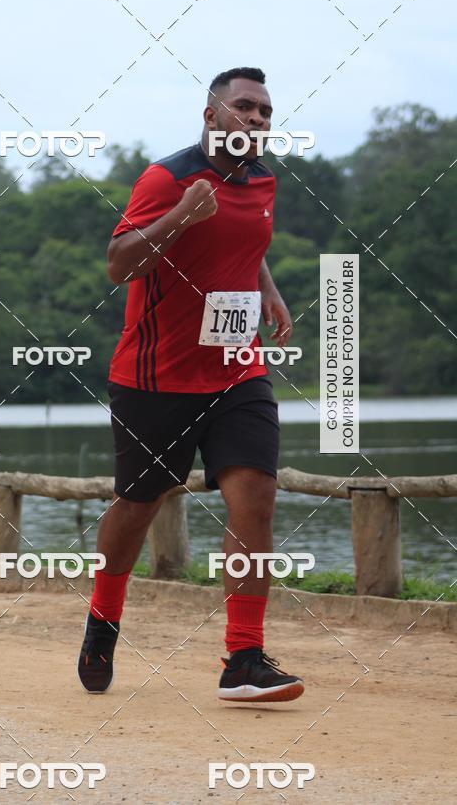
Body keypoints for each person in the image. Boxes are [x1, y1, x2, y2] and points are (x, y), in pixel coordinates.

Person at [78, 66, 304, 703]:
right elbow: (120, 264)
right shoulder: (168, 178)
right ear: (211, 116)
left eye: (265, 111)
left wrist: (269, 290)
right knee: (139, 504)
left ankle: (244, 658)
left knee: (256, 496)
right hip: (156, 377)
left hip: (238, 368)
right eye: (244, 108)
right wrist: (179, 214)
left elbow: (245, 240)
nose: (257, 120)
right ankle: (103, 619)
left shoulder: (263, 179)